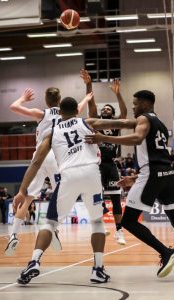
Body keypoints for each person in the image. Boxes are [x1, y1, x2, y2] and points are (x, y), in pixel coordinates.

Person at [85, 90, 174, 277]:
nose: (133, 106)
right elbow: (158, 157)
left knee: (128, 221)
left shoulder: (143, 119)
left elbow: (136, 137)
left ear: (144, 103)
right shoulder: (160, 124)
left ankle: (166, 252)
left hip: (152, 175)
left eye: (135, 103)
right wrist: (133, 178)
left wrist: (104, 137)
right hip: (167, 175)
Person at [14, 94, 133, 285]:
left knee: (51, 223)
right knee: (97, 222)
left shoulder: (51, 132)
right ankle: (98, 269)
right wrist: (144, 121)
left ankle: (34, 262)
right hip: (92, 174)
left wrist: (22, 190)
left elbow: (36, 162)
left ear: (60, 113)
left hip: (68, 176)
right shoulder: (88, 122)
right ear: (77, 111)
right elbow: (124, 123)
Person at [4, 87, 90, 256]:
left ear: (46, 100)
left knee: (27, 198)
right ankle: (54, 230)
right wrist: (87, 98)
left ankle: (13, 235)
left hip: (40, 155)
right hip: (58, 156)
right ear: (60, 100)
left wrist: (22, 98)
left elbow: (13, 107)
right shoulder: (67, 112)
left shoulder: (41, 113)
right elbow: (78, 107)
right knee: (60, 197)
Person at [80, 69, 127, 245]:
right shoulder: (95, 123)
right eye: (104, 108)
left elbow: (124, 115)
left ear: (111, 113)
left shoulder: (115, 125)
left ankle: (119, 232)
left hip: (111, 165)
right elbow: (91, 105)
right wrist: (89, 84)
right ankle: (99, 225)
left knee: (116, 199)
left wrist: (118, 94)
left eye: (109, 108)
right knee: (95, 196)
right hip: (96, 163)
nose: (106, 109)